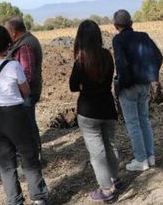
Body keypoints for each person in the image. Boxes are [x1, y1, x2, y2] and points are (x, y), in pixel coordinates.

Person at [0, 24, 49, 205]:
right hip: (15, 115)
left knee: (6, 163)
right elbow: (25, 91)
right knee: (29, 157)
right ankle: (38, 198)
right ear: (6, 42)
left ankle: (14, 201)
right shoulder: (13, 66)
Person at [69, 20, 121, 202]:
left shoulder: (80, 60)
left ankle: (107, 190)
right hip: (107, 107)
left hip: (88, 111)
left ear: (80, 38)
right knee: (110, 144)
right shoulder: (107, 56)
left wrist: (84, 85)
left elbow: (73, 86)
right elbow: (107, 79)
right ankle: (115, 178)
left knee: (97, 153)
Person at [112, 9, 163, 172]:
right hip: (144, 84)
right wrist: (150, 75)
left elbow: (121, 63)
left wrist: (124, 83)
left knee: (133, 124)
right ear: (131, 24)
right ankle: (151, 156)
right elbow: (159, 57)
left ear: (115, 26)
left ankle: (141, 160)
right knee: (144, 120)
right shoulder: (144, 36)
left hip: (129, 87)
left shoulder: (118, 40)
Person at [4, 17, 43, 159]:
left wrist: (13, 88)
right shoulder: (21, 42)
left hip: (26, 93)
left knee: (29, 124)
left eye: (6, 30)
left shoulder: (25, 45)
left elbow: (27, 74)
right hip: (24, 92)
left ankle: (35, 156)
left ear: (13, 32)